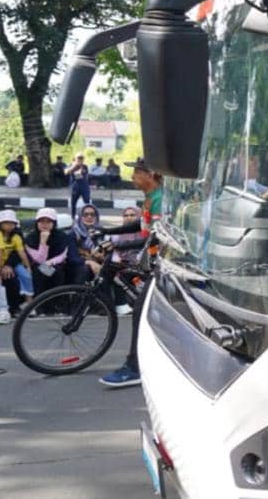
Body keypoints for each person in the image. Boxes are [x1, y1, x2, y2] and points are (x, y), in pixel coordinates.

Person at [100, 158, 163, 388]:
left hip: (165, 264)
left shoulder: (160, 199)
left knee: (139, 311)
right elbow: (141, 226)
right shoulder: (149, 198)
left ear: (150, 174)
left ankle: (134, 367)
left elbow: (155, 236)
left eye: (136, 172)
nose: (132, 177)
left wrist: (121, 246)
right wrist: (109, 230)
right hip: (153, 260)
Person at [73, 204, 133, 316]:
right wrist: (90, 262)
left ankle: (116, 305)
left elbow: (110, 251)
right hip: (78, 265)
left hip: (100, 264)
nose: (89, 217)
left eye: (92, 214)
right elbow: (72, 257)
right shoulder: (74, 234)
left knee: (111, 268)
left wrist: (102, 257)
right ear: (80, 217)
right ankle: (82, 305)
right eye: (85, 214)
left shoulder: (102, 233)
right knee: (86, 270)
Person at [24, 208, 74, 301]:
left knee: (58, 272)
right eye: (42, 221)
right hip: (36, 265)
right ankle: (40, 305)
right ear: (37, 223)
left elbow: (62, 255)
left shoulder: (61, 236)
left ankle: (59, 305)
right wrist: (43, 242)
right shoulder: (31, 238)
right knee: (41, 271)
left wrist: (50, 262)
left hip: (54, 264)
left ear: (54, 223)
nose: (45, 224)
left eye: (48, 222)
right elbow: (39, 260)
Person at [0, 209, 33, 315]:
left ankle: (30, 302)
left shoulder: (16, 236)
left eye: (12, 223)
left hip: (15, 263)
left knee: (26, 275)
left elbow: (21, 253)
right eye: (6, 222)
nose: (10, 226)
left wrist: (28, 267)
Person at [65, 153, 91, 218]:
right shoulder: (71, 165)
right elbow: (66, 172)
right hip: (75, 187)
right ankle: (73, 217)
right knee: (73, 203)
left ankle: (86, 216)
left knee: (87, 202)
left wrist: (80, 169)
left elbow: (82, 176)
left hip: (84, 186)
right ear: (75, 159)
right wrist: (74, 167)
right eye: (79, 158)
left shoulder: (85, 166)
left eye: (81, 158)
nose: (80, 160)